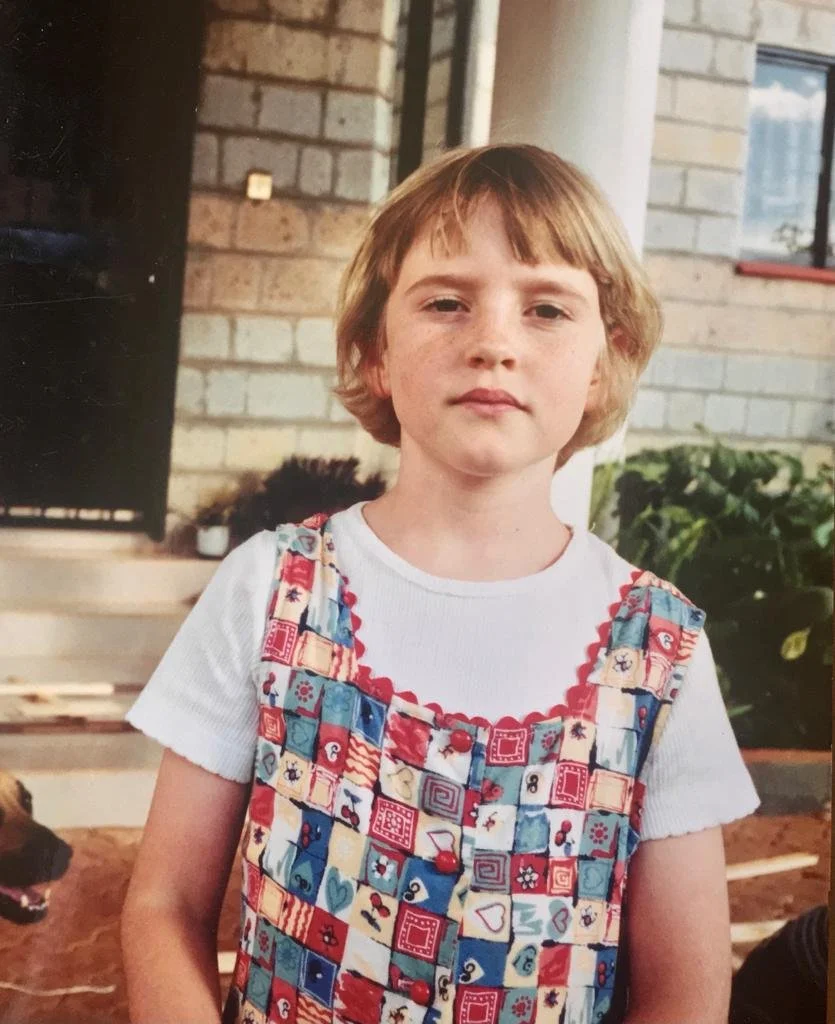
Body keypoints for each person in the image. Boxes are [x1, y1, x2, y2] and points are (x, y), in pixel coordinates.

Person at [121, 144, 760, 1024]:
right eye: (446, 302)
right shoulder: (271, 588)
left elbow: (686, 992)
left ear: (603, 363)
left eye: (545, 308)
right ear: (375, 350)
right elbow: (164, 908)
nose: (492, 342)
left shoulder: (661, 651)